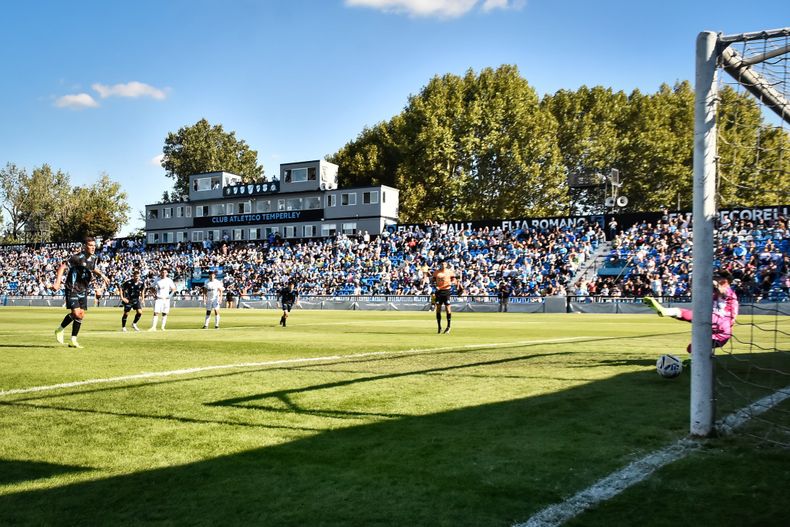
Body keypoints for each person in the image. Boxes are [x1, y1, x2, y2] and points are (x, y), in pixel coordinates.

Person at [643, 270, 739, 361]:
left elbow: (722, 291)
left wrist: (714, 283)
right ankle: (694, 362)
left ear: (725, 280)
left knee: (696, 315)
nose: (715, 278)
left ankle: (665, 311)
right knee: (693, 348)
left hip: (721, 322)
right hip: (720, 332)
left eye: (717, 277)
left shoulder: (729, 291)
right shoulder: (715, 294)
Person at [51, 237, 110, 348]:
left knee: (80, 315)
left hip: (83, 289)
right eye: (90, 245)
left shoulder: (94, 257)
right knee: (76, 313)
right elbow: (62, 267)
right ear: (84, 246)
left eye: (94, 245)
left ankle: (73, 340)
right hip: (72, 288)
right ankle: (60, 330)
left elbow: (92, 268)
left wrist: (102, 276)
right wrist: (57, 283)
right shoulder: (77, 258)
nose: (93, 247)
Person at [432, 260, 456, 334]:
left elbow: (454, 280)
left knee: (448, 308)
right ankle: (439, 327)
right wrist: (435, 286)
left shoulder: (450, 272)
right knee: (438, 308)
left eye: (444, 264)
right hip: (439, 292)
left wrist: (451, 283)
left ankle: (448, 327)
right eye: (441, 264)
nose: (443, 265)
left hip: (446, 291)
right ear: (440, 265)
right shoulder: (436, 272)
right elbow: (433, 281)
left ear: (446, 265)